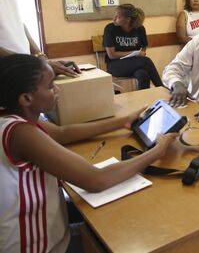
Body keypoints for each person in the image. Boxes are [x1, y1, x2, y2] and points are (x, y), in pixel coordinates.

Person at [0, 53, 178, 253]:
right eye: (51, 86)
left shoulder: (12, 117)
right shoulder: (21, 132)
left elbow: (62, 133)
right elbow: (96, 180)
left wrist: (122, 121)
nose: (57, 89)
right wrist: (157, 151)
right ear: (26, 98)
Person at [103, 4, 163, 90]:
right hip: (115, 65)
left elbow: (144, 47)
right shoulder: (110, 28)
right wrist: (133, 53)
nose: (114, 19)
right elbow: (111, 55)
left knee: (143, 75)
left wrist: (141, 53)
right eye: (115, 16)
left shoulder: (140, 29)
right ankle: (161, 88)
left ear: (128, 19)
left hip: (134, 63)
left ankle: (143, 101)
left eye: (118, 17)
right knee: (146, 61)